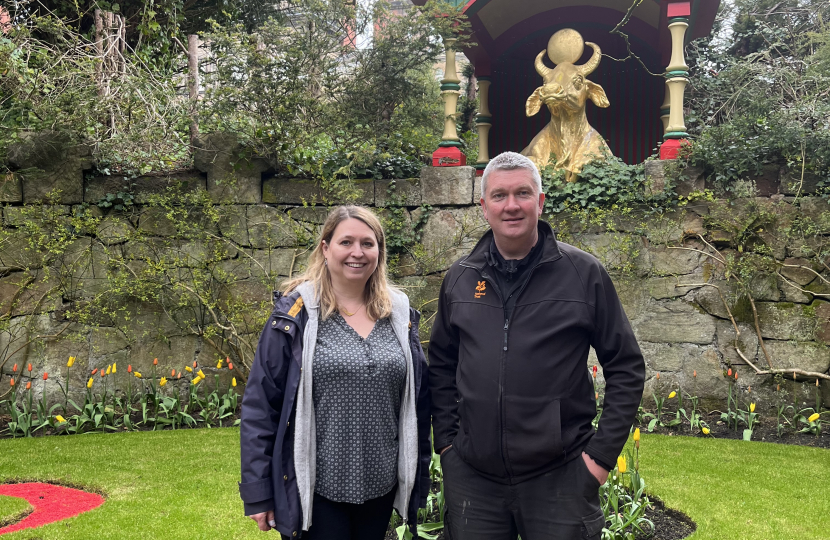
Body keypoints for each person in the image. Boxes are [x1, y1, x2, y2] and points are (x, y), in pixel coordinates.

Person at [429, 152, 645, 540]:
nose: (511, 205)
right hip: (474, 480)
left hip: (560, 478)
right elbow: (442, 364)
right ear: (484, 207)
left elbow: (626, 367)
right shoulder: (460, 279)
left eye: (522, 193)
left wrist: (598, 459)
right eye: (499, 196)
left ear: (541, 202)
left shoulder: (584, 274)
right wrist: (446, 444)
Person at [239, 205, 431, 539]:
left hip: (379, 484)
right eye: (346, 242)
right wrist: (258, 491)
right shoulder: (296, 315)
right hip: (316, 487)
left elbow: (420, 402)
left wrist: (421, 475)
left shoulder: (399, 314)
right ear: (326, 249)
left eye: (368, 244)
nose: (357, 253)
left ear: (379, 252)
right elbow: (260, 405)